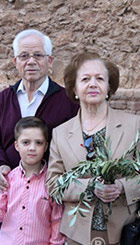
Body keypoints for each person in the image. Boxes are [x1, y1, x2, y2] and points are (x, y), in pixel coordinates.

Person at [46, 52, 140, 245]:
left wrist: (122, 187)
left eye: (100, 78)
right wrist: (89, 187)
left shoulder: (135, 125)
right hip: (77, 234)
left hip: (125, 232)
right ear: (74, 88)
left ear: (108, 87)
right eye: (85, 79)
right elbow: (53, 185)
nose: (93, 84)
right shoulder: (60, 133)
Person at [0, 29, 79, 193]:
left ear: (49, 61)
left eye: (38, 55)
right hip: (11, 190)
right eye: (24, 56)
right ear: (16, 62)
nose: (30, 61)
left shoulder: (68, 102)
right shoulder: (3, 100)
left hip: (51, 193)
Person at [0, 117, 64, 244]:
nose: (32, 148)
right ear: (16, 145)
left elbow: (57, 220)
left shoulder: (51, 182)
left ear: (46, 146)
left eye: (38, 143)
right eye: (26, 142)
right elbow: (1, 214)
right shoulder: (8, 179)